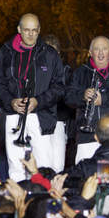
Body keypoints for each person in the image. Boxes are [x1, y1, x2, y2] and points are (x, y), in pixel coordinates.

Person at [0, 13, 65, 181]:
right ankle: (19, 197)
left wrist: (38, 101)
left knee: (43, 166)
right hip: (13, 115)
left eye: (34, 30)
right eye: (26, 30)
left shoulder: (50, 54)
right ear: (19, 30)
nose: (31, 34)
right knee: (15, 167)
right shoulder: (6, 52)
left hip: (41, 116)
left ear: (39, 30)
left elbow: (60, 86)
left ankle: (42, 197)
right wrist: (10, 101)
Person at [66, 36, 109, 164]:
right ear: (90, 52)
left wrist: (103, 99)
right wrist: (82, 96)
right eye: (96, 49)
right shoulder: (80, 71)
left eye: (104, 49)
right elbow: (68, 97)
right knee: (86, 173)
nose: (100, 53)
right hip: (87, 136)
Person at [42, 34, 71, 173]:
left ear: (58, 53)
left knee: (57, 164)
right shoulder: (36, 72)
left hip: (58, 121)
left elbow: (69, 98)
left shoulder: (66, 71)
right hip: (39, 121)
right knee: (41, 162)